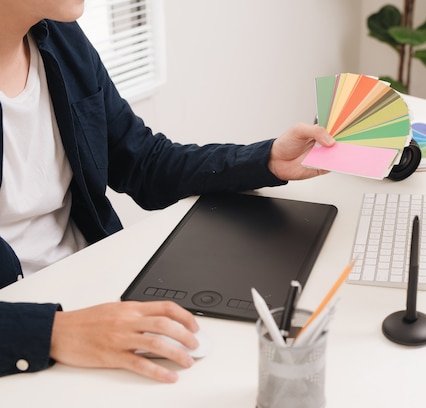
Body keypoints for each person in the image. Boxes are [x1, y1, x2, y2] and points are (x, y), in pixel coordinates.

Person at [0, 1, 335, 383]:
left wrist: (267, 159)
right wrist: (56, 332)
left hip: (96, 287)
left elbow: (142, 162)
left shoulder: (61, 39)